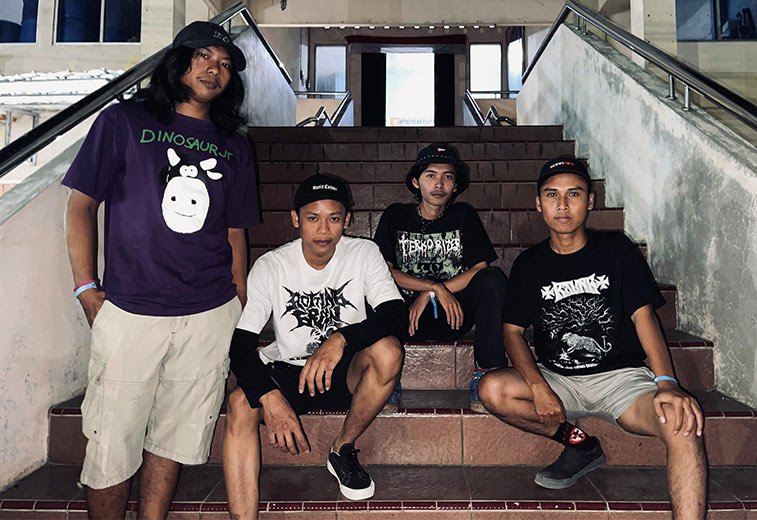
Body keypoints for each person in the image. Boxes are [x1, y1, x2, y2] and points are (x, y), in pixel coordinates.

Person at [62, 21, 258, 520]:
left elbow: (235, 231)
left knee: (173, 441)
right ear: (177, 61)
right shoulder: (123, 121)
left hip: (209, 314)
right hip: (131, 311)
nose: (215, 69)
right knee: (110, 448)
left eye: (225, 64)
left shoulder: (234, 144)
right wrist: (86, 287)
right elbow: (82, 205)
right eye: (204, 57)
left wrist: (238, 301)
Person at [478, 156, 707, 519]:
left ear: (590, 201)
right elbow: (512, 333)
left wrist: (666, 382)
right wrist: (538, 385)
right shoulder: (529, 264)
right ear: (538, 204)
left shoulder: (617, 249)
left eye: (574, 194)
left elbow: (644, 317)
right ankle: (580, 444)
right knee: (492, 389)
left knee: (682, 426)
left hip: (622, 381)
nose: (563, 205)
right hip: (559, 379)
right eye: (552, 195)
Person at [223, 174, 407, 515]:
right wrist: (269, 395)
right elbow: (240, 344)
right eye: (312, 218)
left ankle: (342, 448)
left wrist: (341, 339)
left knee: (389, 350)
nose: (323, 230)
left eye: (334, 218)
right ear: (296, 219)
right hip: (290, 373)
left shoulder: (364, 253)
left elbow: (395, 315)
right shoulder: (271, 266)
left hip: (346, 373)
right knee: (238, 402)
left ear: (347, 220)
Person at [373, 143, 507, 412]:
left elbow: (479, 268)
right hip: (405, 317)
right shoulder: (396, 215)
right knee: (367, 284)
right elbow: (384, 271)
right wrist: (432, 286)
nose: (439, 184)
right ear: (416, 181)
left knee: (493, 278)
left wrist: (435, 292)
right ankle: (384, 377)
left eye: (448, 177)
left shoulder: (463, 215)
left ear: (455, 186)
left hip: (453, 313)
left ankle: (487, 372)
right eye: (431, 175)